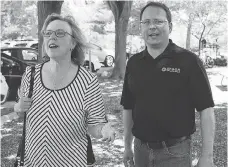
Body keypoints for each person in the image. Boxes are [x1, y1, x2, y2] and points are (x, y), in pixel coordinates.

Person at [121, 2, 215, 167]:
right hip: (140, 150)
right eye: (146, 22)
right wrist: (127, 146)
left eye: (158, 21)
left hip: (175, 153)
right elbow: (128, 106)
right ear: (140, 27)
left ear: (170, 26)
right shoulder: (134, 63)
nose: (152, 27)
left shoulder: (189, 61)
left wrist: (207, 157)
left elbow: (206, 109)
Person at [14, 13, 115, 167]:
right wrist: (19, 107)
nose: (52, 37)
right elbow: (19, 109)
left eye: (60, 33)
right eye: (48, 33)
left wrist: (103, 131)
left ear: (72, 44)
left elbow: (95, 125)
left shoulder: (87, 81)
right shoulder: (31, 74)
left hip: (71, 162)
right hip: (31, 162)